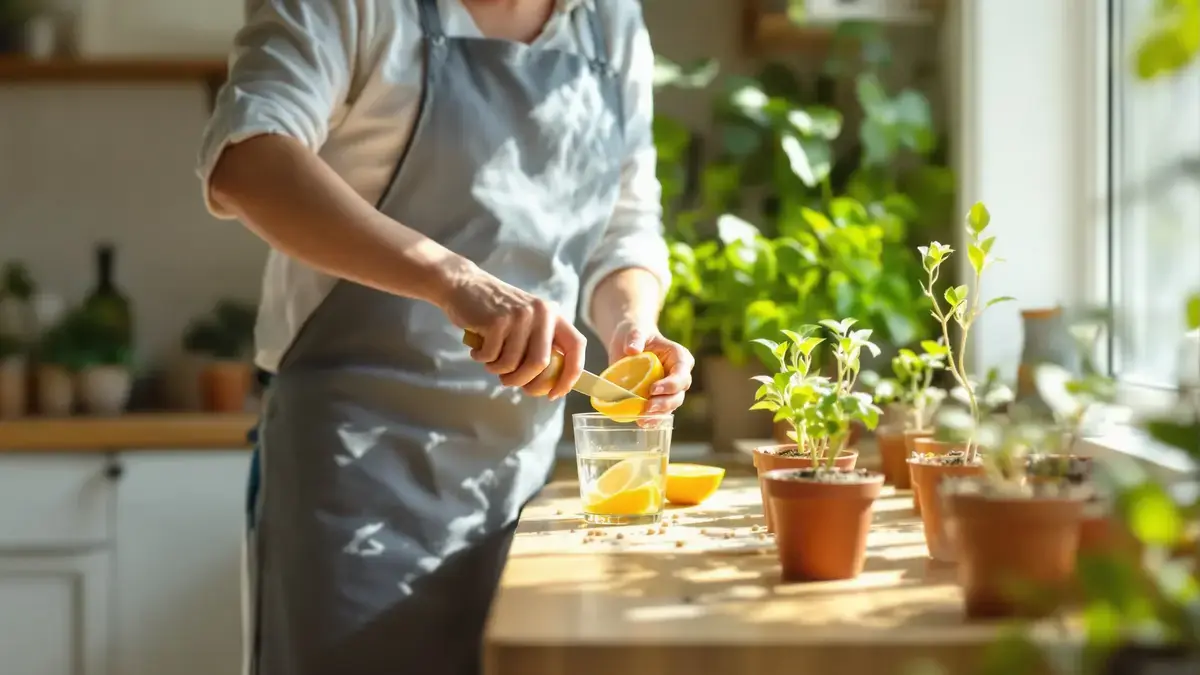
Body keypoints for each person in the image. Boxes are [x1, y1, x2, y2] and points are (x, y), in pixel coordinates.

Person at [196, 1, 693, 674]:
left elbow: (624, 225)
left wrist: (632, 323)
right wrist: (452, 278)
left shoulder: (607, 19)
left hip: (525, 484)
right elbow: (248, 159)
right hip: (355, 482)